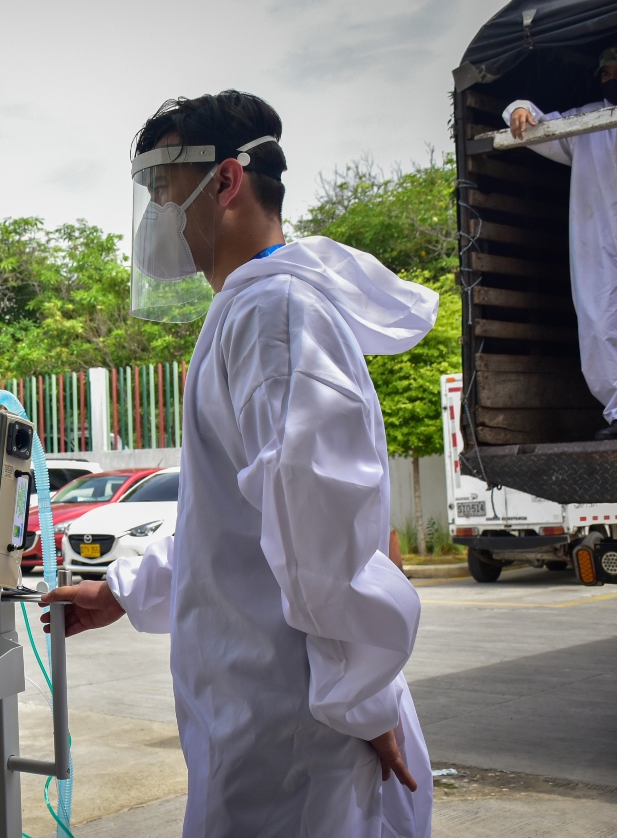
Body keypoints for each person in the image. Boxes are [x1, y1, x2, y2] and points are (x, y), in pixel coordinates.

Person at [41, 92, 437, 837]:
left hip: (299, 731)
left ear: (225, 182)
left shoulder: (274, 316)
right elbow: (233, 522)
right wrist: (126, 587)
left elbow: (320, 533)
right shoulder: (251, 310)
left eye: (164, 189)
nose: (158, 213)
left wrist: (365, 700)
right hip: (265, 716)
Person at [504, 47, 617, 438]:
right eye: (604, 73)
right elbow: (536, 124)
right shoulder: (588, 123)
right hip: (597, 241)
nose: (609, 77)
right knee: (599, 321)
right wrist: (519, 109)